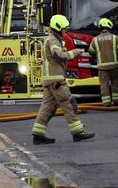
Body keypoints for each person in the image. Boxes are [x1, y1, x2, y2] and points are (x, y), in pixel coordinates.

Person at [32, 14, 95, 144]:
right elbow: (58, 55)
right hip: (56, 80)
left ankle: (38, 135)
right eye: (64, 29)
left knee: (47, 108)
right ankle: (78, 133)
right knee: (69, 103)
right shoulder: (53, 40)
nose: (65, 31)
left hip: (51, 80)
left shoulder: (52, 39)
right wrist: (74, 53)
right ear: (58, 28)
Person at [89, 18, 118, 106]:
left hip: (102, 67)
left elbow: (91, 52)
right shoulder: (115, 37)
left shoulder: (95, 39)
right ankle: (117, 101)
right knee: (115, 83)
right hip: (115, 66)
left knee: (104, 84)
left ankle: (106, 102)